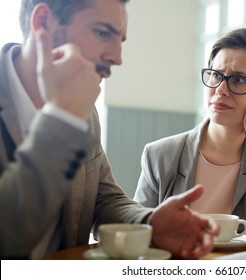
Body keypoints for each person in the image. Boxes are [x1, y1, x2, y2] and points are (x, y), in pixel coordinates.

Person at [0, 0, 218, 260]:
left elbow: (101, 199)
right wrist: (62, 120)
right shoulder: (71, 111)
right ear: (43, 22)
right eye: (102, 33)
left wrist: (151, 223)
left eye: (120, 40)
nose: (117, 57)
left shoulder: (83, 108)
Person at [134, 28, 246, 245]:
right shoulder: (161, 155)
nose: (220, 89)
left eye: (238, 80)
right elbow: (137, 235)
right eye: (215, 75)